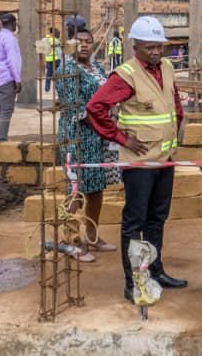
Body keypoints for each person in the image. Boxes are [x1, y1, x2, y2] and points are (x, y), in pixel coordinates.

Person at [85, 15, 188, 301]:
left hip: (164, 157)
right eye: (149, 48)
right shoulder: (125, 75)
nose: (156, 52)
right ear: (136, 47)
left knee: (157, 218)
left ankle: (156, 270)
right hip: (140, 162)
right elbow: (95, 108)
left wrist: (178, 119)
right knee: (135, 220)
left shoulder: (166, 67)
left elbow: (173, 99)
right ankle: (133, 281)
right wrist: (120, 137)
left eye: (159, 47)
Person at [57, 27, 119, 262]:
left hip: (98, 137)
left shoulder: (96, 68)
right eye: (79, 41)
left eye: (88, 41)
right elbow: (74, 106)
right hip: (77, 135)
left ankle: (92, 237)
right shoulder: (66, 70)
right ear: (70, 45)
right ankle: (71, 240)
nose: (84, 45)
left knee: (96, 187)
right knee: (76, 188)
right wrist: (103, 121)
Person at [0, 13, 22, 142]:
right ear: (13, 24)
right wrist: (17, 79)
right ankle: (1, 138)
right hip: (7, 78)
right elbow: (12, 60)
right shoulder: (9, 38)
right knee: (6, 110)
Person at [44, 27, 61, 93]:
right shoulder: (56, 40)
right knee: (58, 75)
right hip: (56, 60)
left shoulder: (45, 39)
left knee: (48, 75)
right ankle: (58, 88)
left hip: (48, 60)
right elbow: (59, 51)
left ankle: (47, 88)